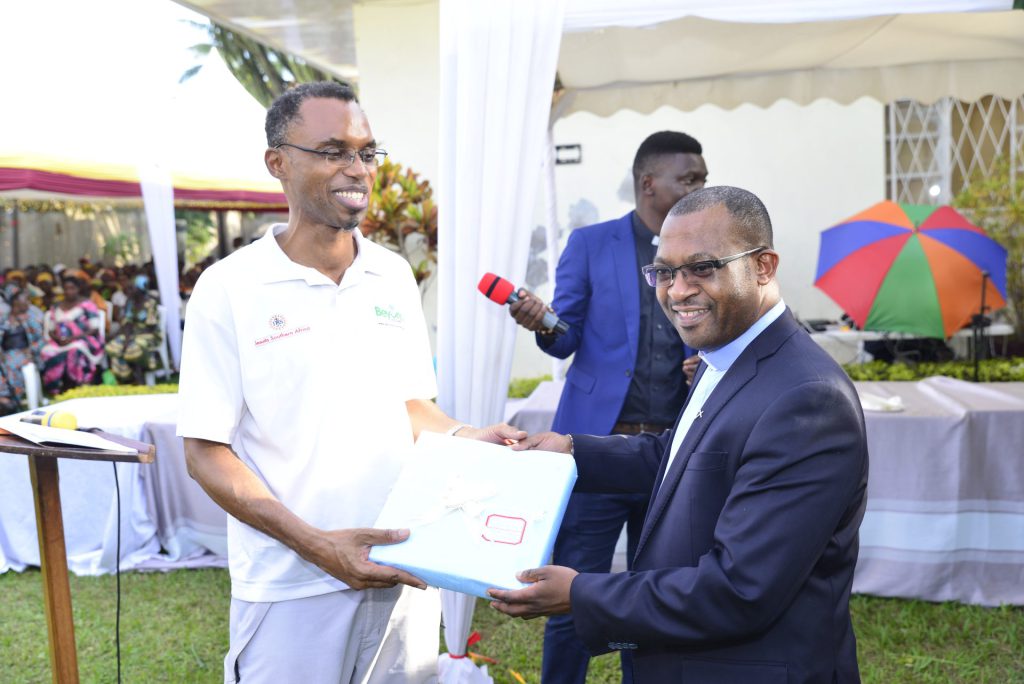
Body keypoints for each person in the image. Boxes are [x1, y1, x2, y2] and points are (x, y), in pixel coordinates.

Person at [176, 81, 524, 684]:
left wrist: (470, 436)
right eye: (333, 150)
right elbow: (206, 451)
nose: (356, 169)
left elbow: (410, 407)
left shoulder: (390, 274)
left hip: (406, 567)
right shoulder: (229, 288)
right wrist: (316, 545)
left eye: (366, 152)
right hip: (291, 589)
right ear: (277, 162)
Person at [490, 186, 869, 683]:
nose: (677, 290)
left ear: (763, 267)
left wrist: (581, 594)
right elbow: (681, 455)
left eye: (702, 268)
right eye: (664, 272)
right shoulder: (727, 352)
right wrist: (572, 451)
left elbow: (740, 589)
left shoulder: (808, 400)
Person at [507, 130, 707, 683]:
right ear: (649, 183)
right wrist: (540, 321)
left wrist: (705, 364)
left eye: (702, 179)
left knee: (659, 592)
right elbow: (564, 337)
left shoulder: (702, 248)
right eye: (688, 178)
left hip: (671, 455)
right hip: (596, 450)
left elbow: (717, 333)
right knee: (573, 589)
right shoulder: (592, 244)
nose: (700, 187)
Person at [39, 275, 104, 394]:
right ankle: (55, 388)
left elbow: (94, 328)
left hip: (84, 339)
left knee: (75, 350)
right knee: (46, 351)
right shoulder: (56, 306)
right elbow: (51, 330)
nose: (69, 291)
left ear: (78, 289)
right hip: (61, 341)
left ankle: (76, 384)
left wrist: (73, 338)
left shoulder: (87, 304)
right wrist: (57, 338)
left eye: (72, 288)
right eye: (66, 288)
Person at [105, 274, 161, 384]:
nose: (128, 290)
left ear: (140, 288)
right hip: (132, 334)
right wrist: (127, 338)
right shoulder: (130, 302)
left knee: (132, 348)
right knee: (114, 347)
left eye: (132, 288)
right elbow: (127, 323)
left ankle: (139, 375)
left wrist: (131, 337)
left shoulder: (150, 303)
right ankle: (126, 377)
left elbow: (151, 326)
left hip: (149, 335)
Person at [0, 287, 46, 410]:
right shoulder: (4, 319)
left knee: (11, 363)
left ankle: (11, 397)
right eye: (25, 299)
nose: (28, 302)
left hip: (25, 353)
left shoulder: (30, 318)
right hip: (5, 353)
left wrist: (31, 350)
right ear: (15, 301)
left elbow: (41, 339)